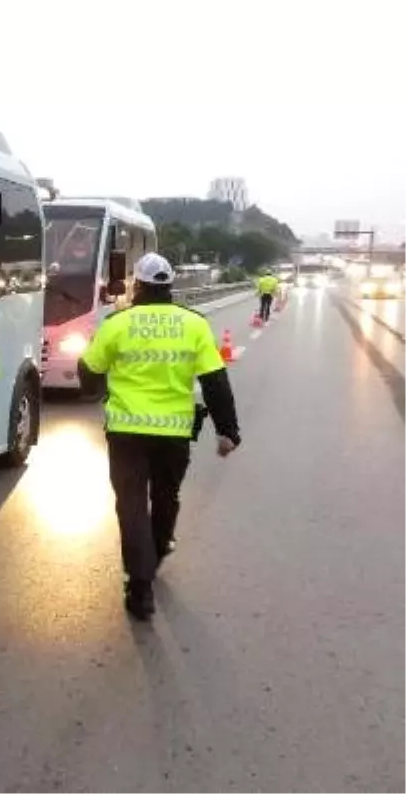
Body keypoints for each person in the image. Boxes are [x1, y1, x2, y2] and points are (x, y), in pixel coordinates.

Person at [77, 253, 241, 620]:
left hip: (127, 433)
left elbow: (89, 370)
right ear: (170, 286)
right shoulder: (193, 325)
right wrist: (227, 431)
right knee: (167, 495)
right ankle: (160, 546)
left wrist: (95, 385)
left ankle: (139, 586)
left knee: (131, 505)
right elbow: (215, 380)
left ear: (138, 284)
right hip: (173, 434)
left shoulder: (118, 323)